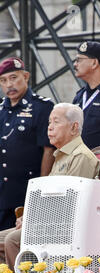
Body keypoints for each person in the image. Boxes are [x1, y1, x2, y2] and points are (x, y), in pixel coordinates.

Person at [1, 103, 99, 271]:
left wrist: (31, 220)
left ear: (74, 127)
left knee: (11, 240)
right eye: (49, 123)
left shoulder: (81, 156)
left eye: (56, 122)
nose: (50, 128)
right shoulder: (60, 156)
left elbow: (69, 204)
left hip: (61, 226)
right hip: (46, 222)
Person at [0, 57, 54, 231]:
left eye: (13, 78)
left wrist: (42, 188)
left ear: (26, 76)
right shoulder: (1, 110)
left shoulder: (42, 107)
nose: (9, 85)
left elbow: (48, 150)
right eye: (3, 80)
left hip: (26, 191)